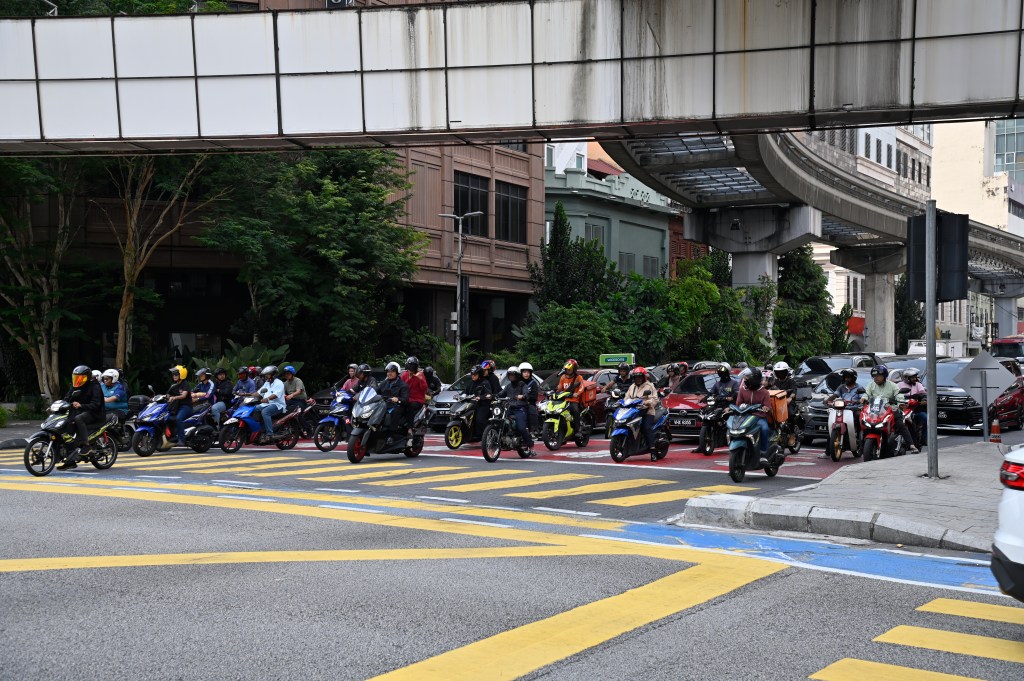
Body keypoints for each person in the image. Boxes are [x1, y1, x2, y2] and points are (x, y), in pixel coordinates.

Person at [57, 365, 106, 470]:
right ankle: (70, 460)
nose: (78, 380)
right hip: (78, 411)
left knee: (79, 419)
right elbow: (66, 399)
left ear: (87, 377)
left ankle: (86, 446)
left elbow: (96, 404)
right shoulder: (74, 387)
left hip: (94, 413)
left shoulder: (95, 387)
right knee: (64, 426)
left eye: (81, 378)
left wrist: (81, 405)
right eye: (76, 377)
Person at [863, 365, 920, 453]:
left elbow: (899, 395)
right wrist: (863, 398)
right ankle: (858, 445)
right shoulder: (871, 385)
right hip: (874, 410)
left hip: (891, 409)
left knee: (900, 424)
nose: (876, 378)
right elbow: (866, 394)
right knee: (863, 421)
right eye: (874, 376)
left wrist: (901, 403)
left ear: (884, 376)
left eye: (878, 376)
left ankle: (912, 445)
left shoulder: (892, 385)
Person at [693, 364, 739, 453]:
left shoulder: (734, 383)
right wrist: (704, 398)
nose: (721, 374)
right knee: (705, 414)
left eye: (722, 372)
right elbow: (711, 393)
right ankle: (701, 445)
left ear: (727, 372)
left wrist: (732, 397)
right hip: (718, 405)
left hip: (729, 406)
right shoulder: (717, 384)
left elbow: (736, 393)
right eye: (719, 372)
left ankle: (733, 441)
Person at [734, 367, 773, 464]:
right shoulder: (742, 389)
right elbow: (738, 403)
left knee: (764, 429)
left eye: (747, 378)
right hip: (744, 416)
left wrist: (766, 408)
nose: (745, 379)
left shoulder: (764, 392)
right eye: (745, 378)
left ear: (754, 379)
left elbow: (768, 406)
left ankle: (763, 453)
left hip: (759, 417)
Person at [498, 366, 537, 457]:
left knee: (521, 428)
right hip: (509, 408)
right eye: (510, 375)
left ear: (517, 376)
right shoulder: (508, 386)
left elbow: (526, 393)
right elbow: (501, 393)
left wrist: (522, 396)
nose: (511, 377)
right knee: (501, 422)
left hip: (520, 409)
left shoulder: (522, 384)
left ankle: (531, 447)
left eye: (513, 375)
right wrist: (493, 396)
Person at [824, 368, 863, 458]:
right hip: (842, 409)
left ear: (853, 378)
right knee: (832, 426)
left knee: (858, 416)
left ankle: (858, 435)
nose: (846, 379)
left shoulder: (859, 388)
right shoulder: (841, 387)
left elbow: (863, 398)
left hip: (854, 409)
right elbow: (835, 395)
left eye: (848, 377)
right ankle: (827, 452)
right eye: (845, 377)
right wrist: (827, 400)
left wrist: (861, 400)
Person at [624, 366, 659, 452]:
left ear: (644, 377)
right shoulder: (632, 387)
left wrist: (648, 402)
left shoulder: (650, 386)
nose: (638, 379)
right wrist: (623, 402)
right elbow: (626, 397)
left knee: (646, 427)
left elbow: (655, 399)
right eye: (636, 377)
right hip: (633, 411)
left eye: (640, 377)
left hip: (647, 411)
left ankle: (652, 449)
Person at [897, 367, 927, 447]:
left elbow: (923, 394)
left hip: (916, 410)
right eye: (913, 377)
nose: (915, 379)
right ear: (907, 378)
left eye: (915, 377)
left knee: (926, 418)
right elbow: (894, 394)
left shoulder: (918, 385)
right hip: (902, 409)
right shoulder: (899, 385)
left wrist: (923, 399)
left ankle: (924, 439)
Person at [253, 365, 286, 439]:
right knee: (253, 409)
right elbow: (258, 393)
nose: (266, 376)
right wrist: (247, 395)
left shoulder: (279, 383)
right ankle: (259, 430)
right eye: (266, 375)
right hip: (266, 404)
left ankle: (270, 433)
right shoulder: (267, 383)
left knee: (265, 412)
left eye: (268, 374)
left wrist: (267, 399)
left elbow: (275, 395)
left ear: (273, 374)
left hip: (277, 405)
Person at [378, 361, 410, 436]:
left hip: (397, 406)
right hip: (384, 405)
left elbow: (405, 399)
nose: (389, 373)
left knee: (395, 412)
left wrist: (397, 399)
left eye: (392, 372)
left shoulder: (403, 385)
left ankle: (391, 435)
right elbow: (376, 390)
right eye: (388, 372)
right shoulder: (384, 383)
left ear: (397, 372)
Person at [773, 361, 800, 445]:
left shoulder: (791, 381)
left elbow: (794, 392)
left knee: (791, 415)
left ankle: (792, 434)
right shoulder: (774, 382)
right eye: (778, 372)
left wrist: (790, 398)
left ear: (786, 372)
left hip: (788, 403)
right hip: (776, 403)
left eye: (782, 372)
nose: (780, 374)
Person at [166, 365, 194, 446]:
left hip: (185, 407)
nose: (174, 376)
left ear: (181, 375)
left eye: (176, 374)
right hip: (176, 407)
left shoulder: (185, 384)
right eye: (173, 374)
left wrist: (174, 397)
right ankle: (171, 437)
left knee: (178, 418)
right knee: (166, 418)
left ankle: (182, 439)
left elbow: (184, 395)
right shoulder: (173, 385)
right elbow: (167, 394)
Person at [556, 358, 586, 433]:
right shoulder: (563, 377)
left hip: (573, 400)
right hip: (564, 400)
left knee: (575, 411)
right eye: (567, 369)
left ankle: (577, 430)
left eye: (570, 369)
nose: (568, 371)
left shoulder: (578, 377)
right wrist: (556, 391)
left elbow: (582, 387)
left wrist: (577, 393)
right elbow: (560, 387)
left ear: (574, 369)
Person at [281, 365, 311, 437]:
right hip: (291, 400)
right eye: (285, 374)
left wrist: (291, 395)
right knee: (281, 410)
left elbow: (299, 391)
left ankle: (308, 429)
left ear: (292, 374)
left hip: (300, 400)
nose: (286, 375)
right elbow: (282, 392)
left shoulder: (298, 381)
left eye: (288, 373)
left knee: (298, 414)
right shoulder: (285, 383)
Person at [400, 356, 428, 430]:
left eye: (412, 369)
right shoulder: (404, 375)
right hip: (406, 398)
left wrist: (420, 380)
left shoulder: (420, 375)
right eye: (409, 369)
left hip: (417, 400)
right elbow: (401, 386)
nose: (410, 371)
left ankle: (410, 428)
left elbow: (424, 389)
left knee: (410, 406)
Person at [467, 365, 490, 440]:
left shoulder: (485, 383)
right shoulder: (471, 383)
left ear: (479, 374)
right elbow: (465, 392)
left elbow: (489, 394)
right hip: (471, 404)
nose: (473, 376)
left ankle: (484, 436)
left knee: (479, 420)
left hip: (482, 405)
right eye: (472, 374)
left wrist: (481, 397)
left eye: (475, 375)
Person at [518, 362, 540, 433]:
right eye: (524, 372)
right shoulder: (517, 383)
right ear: (521, 373)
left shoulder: (533, 383)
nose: (526, 374)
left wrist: (525, 397)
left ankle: (533, 430)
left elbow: (534, 396)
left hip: (529, 403)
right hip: (517, 404)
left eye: (528, 372)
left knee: (532, 410)